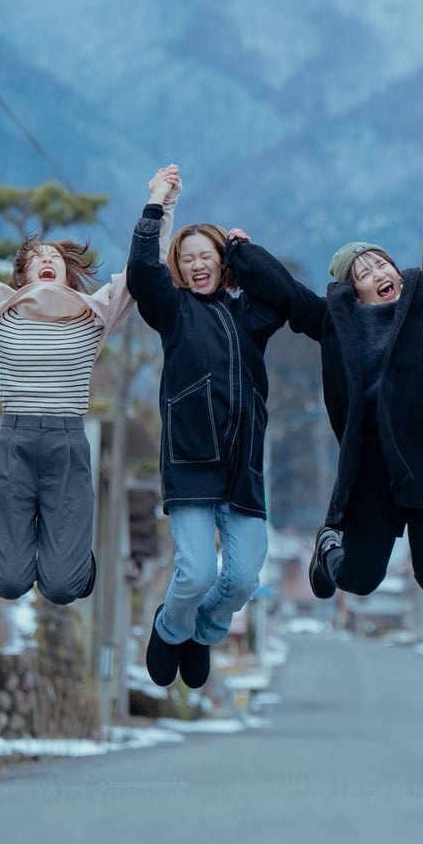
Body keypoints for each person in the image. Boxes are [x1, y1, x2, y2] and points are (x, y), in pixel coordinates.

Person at [224, 181, 423, 609]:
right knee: (357, 579)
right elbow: (287, 292)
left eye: (381, 264)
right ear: (355, 292)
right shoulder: (337, 324)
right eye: (365, 274)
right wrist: (242, 254)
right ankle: (328, 546)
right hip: (371, 467)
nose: (379, 274)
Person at [0, 167, 167, 610]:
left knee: (61, 587)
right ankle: (25, 547)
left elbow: (141, 269)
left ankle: (70, 558)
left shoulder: (94, 315)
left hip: (68, 443)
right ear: (23, 276)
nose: (48, 259)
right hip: (14, 441)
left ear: (68, 275)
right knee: (9, 582)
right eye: (38, 258)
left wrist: (161, 203)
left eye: (55, 256)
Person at [129, 165, 285, 690]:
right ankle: (170, 629)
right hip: (191, 463)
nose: (197, 266)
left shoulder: (251, 314)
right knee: (195, 572)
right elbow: (140, 273)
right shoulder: (172, 310)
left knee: (242, 577)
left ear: (223, 263)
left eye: (208, 257)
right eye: (187, 258)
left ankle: (203, 631)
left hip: (243, 467)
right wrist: (155, 206)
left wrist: (251, 255)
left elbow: (283, 295)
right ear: (179, 267)